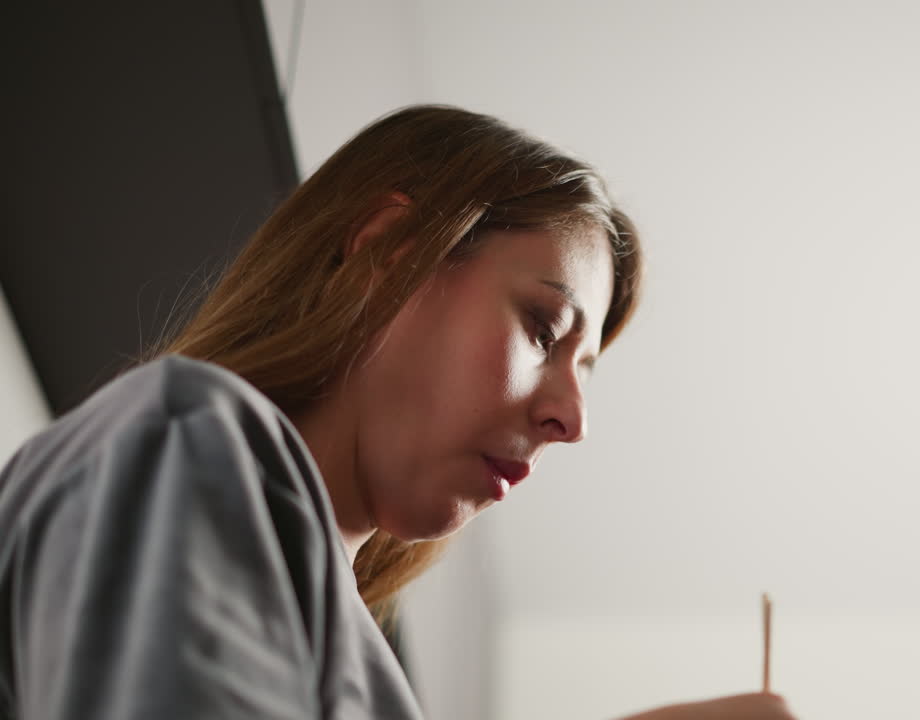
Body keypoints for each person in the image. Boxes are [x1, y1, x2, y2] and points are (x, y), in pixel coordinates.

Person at [0, 106, 797, 720]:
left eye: (584, 373)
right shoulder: (189, 435)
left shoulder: (366, 665)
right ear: (389, 253)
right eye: (543, 329)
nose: (571, 418)